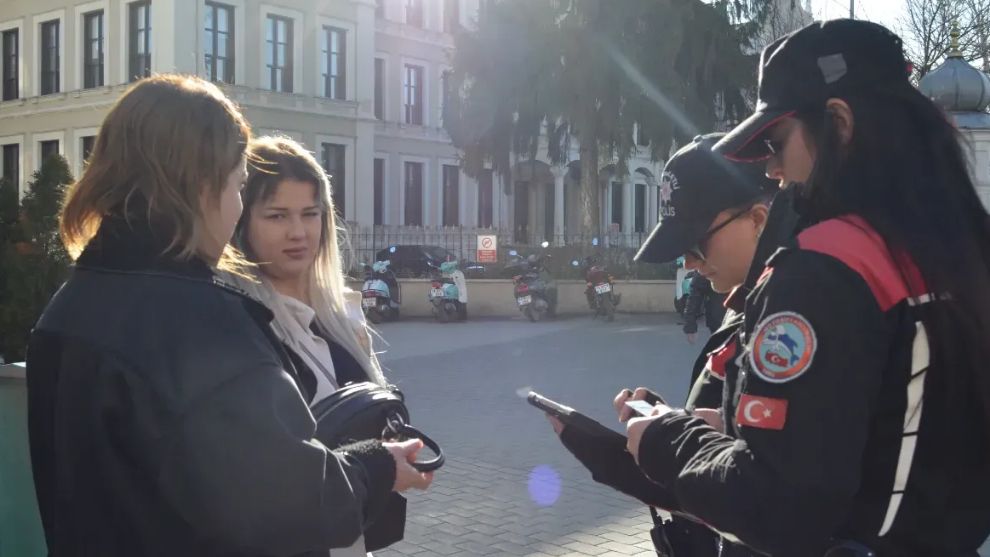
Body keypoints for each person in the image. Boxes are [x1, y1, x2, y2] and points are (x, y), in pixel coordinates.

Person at [625, 20, 990, 556]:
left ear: (838, 123)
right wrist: (731, 422)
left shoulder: (827, 265)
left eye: (775, 142)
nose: (771, 170)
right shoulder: (960, 249)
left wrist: (666, 439)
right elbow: (890, 419)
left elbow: (780, 507)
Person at [26, 75, 431, 557]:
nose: (237, 207)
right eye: (240, 186)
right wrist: (377, 467)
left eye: (309, 214)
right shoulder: (201, 323)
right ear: (201, 186)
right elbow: (289, 503)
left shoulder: (70, 302)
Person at [550, 133, 789, 557]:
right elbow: (717, 462)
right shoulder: (744, 313)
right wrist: (659, 427)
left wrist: (668, 437)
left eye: (696, 242)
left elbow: (769, 498)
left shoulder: (789, 327)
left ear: (758, 220)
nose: (689, 262)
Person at [681, 272, 726, 344]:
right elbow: (695, 295)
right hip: (719, 321)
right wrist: (690, 326)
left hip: (741, 319)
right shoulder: (709, 263)